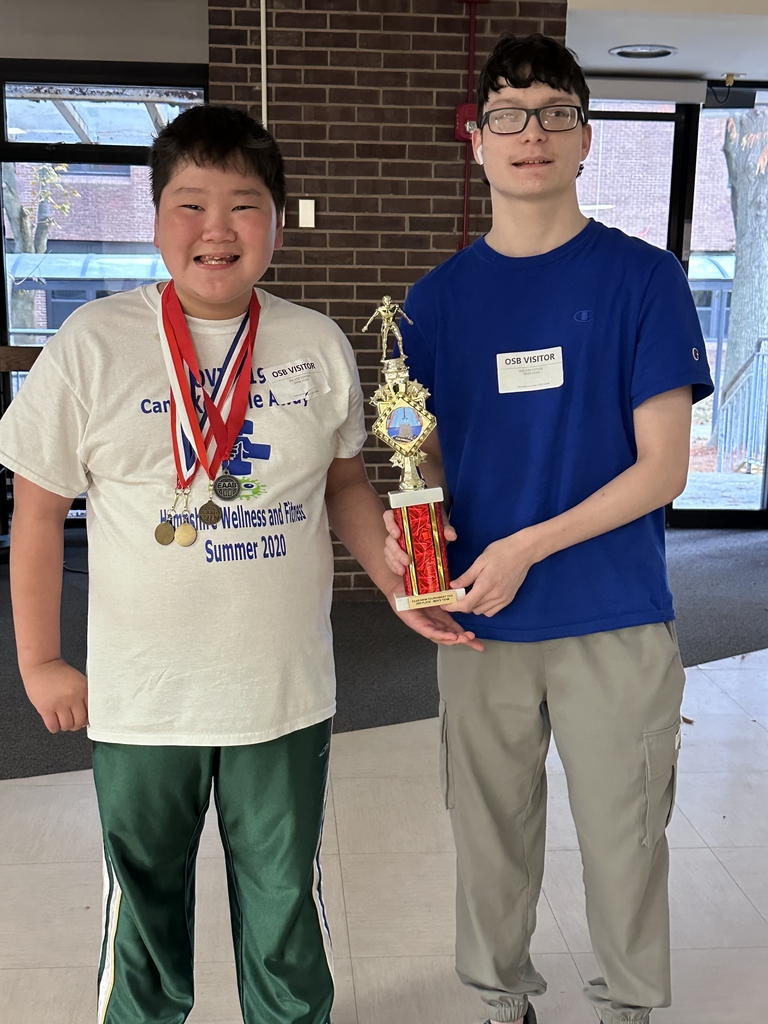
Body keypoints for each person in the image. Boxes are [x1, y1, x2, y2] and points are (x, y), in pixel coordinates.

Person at [0, 104, 478, 1024]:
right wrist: (40, 659)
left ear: (277, 220)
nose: (216, 229)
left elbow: (343, 486)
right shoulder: (93, 346)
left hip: (281, 690)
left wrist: (398, 584)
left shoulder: (316, 343)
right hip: (141, 699)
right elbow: (36, 508)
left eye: (244, 205)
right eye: (191, 204)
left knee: (285, 910)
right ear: (155, 218)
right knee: (142, 916)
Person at [383, 34, 713, 1024]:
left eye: (556, 114)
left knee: (624, 837)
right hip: (481, 622)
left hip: (612, 613)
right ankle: (498, 1003)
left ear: (585, 141)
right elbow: (433, 458)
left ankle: (626, 1008)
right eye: (510, 116)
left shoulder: (642, 280)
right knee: (489, 841)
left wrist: (527, 543)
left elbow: (661, 470)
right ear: (475, 140)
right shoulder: (432, 305)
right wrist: (420, 524)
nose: (533, 134)